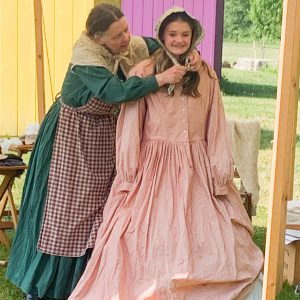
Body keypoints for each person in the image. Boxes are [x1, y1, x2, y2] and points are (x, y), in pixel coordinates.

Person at [6, 4, 202, 300]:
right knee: (69, 214)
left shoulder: (130, 45)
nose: (126, 38)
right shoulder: (87, 60)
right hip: (72, 140)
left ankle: (96, 279)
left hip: (104, 136)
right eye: (117, 35)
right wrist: (160, 79)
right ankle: (49, 285)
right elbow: (116, 93)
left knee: (104, 209)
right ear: (97, 39)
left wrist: (192, 53)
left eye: (125, 29)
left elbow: (164, 42)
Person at [69, 6, 264, 300]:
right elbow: (131, 124)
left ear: (194, 36)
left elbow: (215, 124)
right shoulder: (145, 72)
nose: (179, 39)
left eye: (185, 34)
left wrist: (219, 170)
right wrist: (129, 170)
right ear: (162, 35)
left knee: (208, 229)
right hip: (154, 164)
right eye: (172, 34)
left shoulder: (205, 74)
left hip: (196, 162)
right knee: (140, 233)